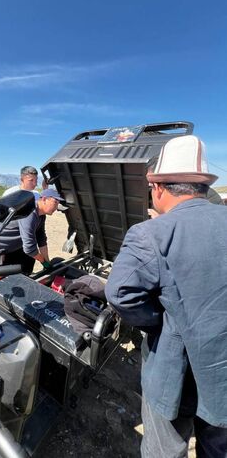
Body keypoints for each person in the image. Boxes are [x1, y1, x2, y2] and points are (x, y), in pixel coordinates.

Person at [105, 135, 227, 458]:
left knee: (164, 451)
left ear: (158, 189)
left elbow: (119, 293)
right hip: (223, 375)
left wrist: (159, 321)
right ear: (201, 187)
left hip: (176, 378)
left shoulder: (151, 233)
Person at [0, 188, 63, 274]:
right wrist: (43, 262)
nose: (56, 207)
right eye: (55, 202)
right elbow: (29, 248)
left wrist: (48, 262)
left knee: (26, 266)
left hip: (11, 246)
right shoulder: (29, 213)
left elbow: (41, 239)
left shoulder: (41, 216)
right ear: (44, 199)